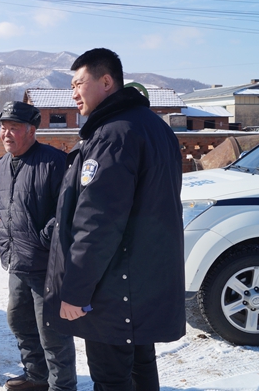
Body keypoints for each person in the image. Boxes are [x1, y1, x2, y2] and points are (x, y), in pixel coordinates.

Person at [43, 48, 186, 391]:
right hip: (141, 284)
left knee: (112, 378)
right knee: (140, 367)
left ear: (106, 82)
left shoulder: (112, 135)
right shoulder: (153, 126)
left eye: (79, 84)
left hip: (112, 288)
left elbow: (97, 223)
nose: (74, 94)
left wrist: (75, 292)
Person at [0, 101, 77, 391]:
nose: (6, 134)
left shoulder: (53, 161)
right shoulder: (3, 164)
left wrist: (44, 238)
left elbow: (67, 208)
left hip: (45, 265)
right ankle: (37, 377)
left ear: (31, 131)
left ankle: (62, 386)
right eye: (3, 128)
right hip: (16, 260)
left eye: (13, 128)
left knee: (52, 332)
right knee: (19, 321)